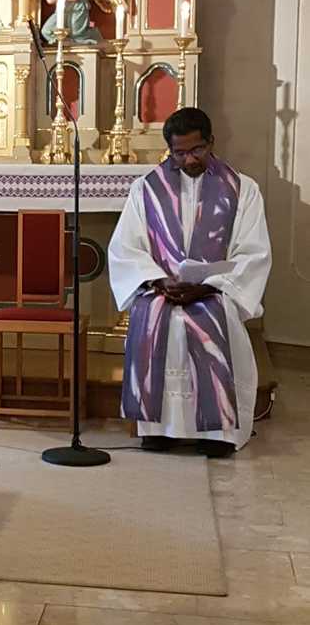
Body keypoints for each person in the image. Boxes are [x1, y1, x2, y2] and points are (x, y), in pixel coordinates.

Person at [108, 107, 271, 456]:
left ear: (211, 142)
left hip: (215, 291)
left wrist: (209, 285)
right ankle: (159, 429)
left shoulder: (242, 189)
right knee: (152, 314)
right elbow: (125, 248)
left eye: (197, 149)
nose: (189, 159)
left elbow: (253, 251)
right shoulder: (146, 189)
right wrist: (158, 281)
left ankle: (218, 432)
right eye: (179, 153)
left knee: (214, 316)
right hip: (163, 290)